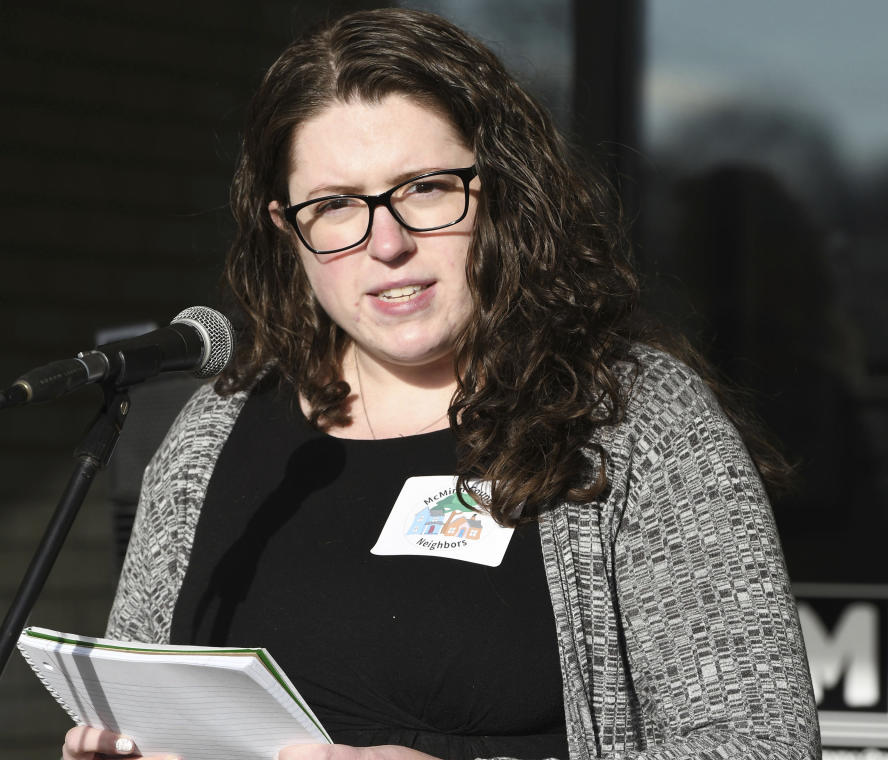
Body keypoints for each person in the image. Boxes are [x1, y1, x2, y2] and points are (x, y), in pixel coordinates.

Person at [63, 8, 819, 760]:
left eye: (424, 188)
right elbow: (145, 704)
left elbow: (762, 744)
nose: (386, 243)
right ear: (286, 229)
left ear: (500, 192)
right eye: (334, 206)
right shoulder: (211, 431)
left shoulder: (634, 421)